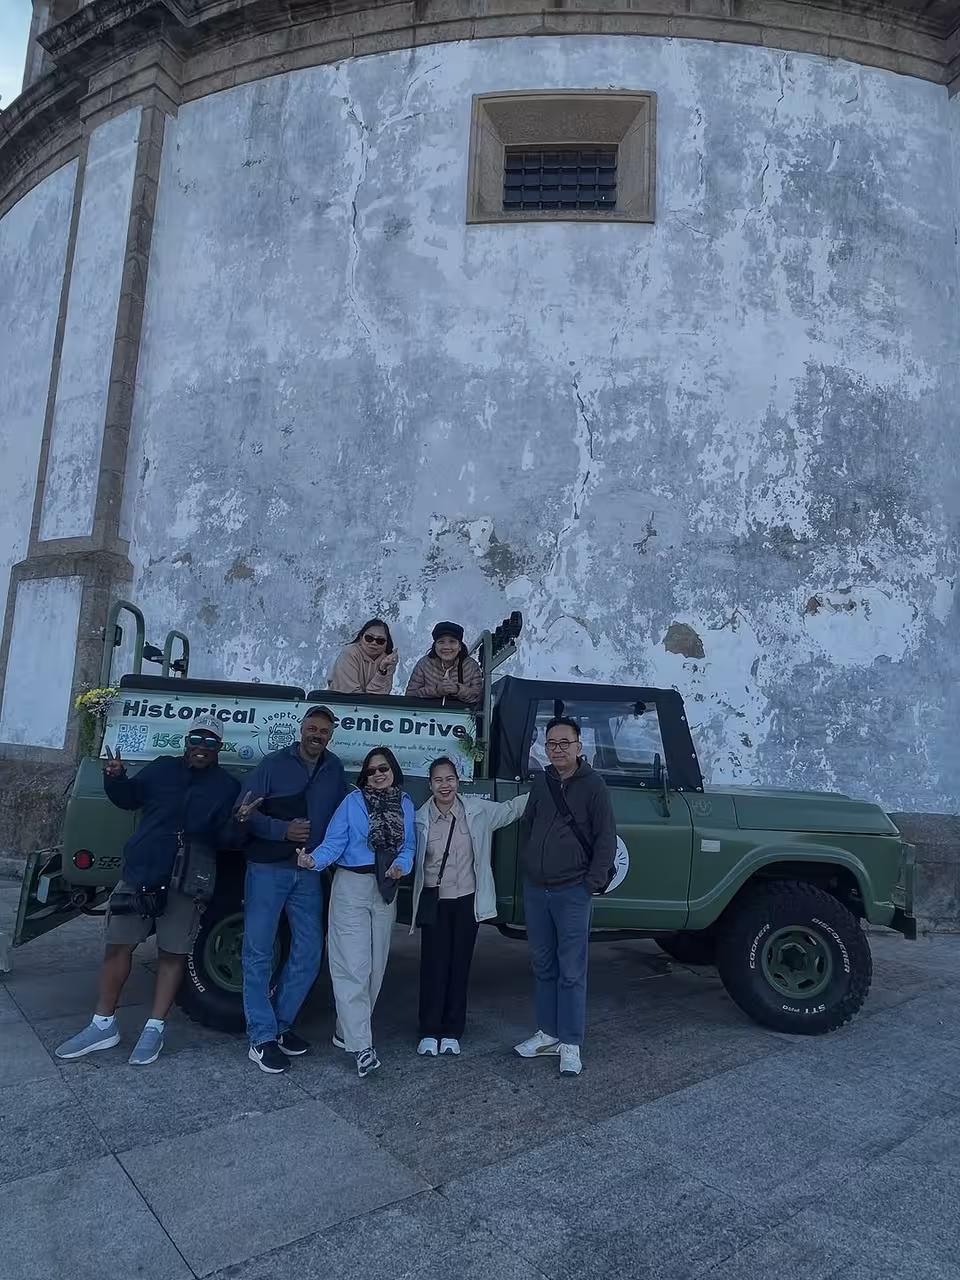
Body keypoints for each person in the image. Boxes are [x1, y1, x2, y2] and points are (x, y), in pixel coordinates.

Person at [55, 716, 258, 1066]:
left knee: (173, 953)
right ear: (186, 741)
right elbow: (129, 799)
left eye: (210, 742)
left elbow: (224, 839)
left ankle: (154, 1028)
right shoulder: (161, 768)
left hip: (188, 877)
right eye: (197, 738)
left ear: (219, 749)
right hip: (141, 869)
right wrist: (115, 776)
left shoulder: (227, 786)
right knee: (118, 946)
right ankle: (103, 1025)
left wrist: (240, 822)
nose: (201, 747)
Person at [241, 706, 348, 1073]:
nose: (317, 735)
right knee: (258, 951)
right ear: (302, 729)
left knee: (309, 950)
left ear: (331, 736)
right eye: (312, 728)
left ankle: (281, 1024)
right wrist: (281, 830)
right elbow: (244, 812)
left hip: (307, 873)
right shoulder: (272, 764)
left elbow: (342, 816)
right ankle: (261, 1037)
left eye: (324, 731)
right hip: (268, 870)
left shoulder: (334, 770)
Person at [297, 747, 414, 1077]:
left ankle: (344, 1030)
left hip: (384, 890)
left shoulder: (404, 804)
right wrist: (313, 861)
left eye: (384, 768)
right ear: (365, 776)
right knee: (352, 966)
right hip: (351, 886)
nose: (378, 774)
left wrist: (401, 867)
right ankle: (363, 1046)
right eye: (372, 770)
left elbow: (408, 847)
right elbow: (334, 843)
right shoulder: (352, 804)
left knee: (375, 968)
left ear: (393, 771)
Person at [514, 717, 616, 1077]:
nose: (558, 749)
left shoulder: (594, 786)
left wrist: (590, 883)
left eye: (564, 743)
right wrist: (530, 864)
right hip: (537, 888)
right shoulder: (542, 783)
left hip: (572, 890)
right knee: (543, 964)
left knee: (571, 969)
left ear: (578, 746)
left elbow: (606, 839)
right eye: (552, 743)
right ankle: (548, 1033)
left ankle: (570, 1041)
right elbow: (529, 824)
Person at [410, 757, 528, 1056]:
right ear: (430, 785)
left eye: (449, 779)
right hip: (435, 901)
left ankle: (451, 1031)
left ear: (458, 781)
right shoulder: (420, 820)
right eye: (438, 780)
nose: (445, 785)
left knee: (459, 966)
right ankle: (429, 1030)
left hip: (467, 901)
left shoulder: (477, 811)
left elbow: (511, 810)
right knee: (433, 967)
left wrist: (543, 788)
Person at [405, 622, 482, 706]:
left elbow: (478, 698)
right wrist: (436, 690)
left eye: (452, 641)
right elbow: (410, 696)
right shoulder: (424, 664)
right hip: (426, 716)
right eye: (441, 642)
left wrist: (457, 690)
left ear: (460, 646)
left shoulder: (471, 666)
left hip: (461, 716)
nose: (446, 647)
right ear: (435, 646)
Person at [328, 619, 398, 694]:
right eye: (369, 638)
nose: (374, 643)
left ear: (386, 643)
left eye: (380, 641)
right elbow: (351, 694)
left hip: (368, 704)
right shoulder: (349, 653)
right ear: (361, 638)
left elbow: (379, 697)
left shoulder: (388, 660)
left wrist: (382, 670)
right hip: (340, 702)